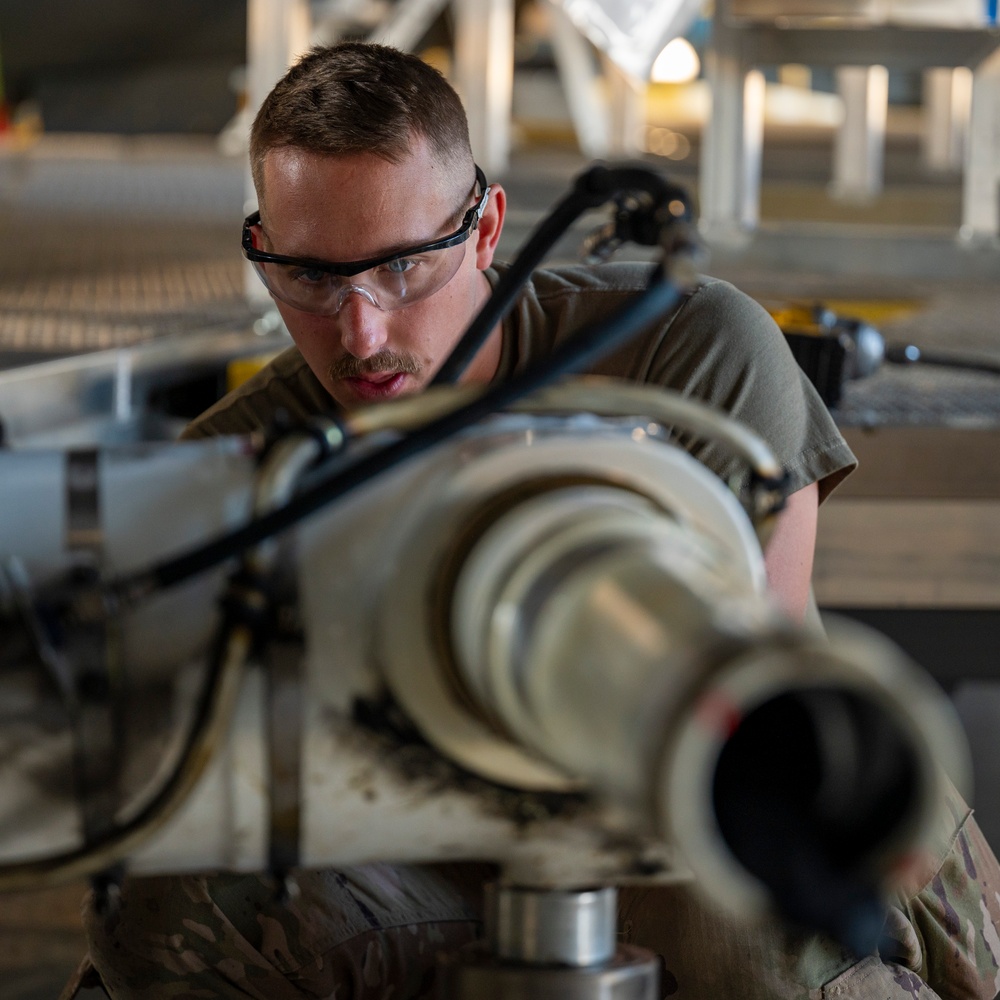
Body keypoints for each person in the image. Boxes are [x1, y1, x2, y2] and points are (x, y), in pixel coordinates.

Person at [84, 41, 1000, 999]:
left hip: (718, 800)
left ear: (486, 231)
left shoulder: (687, 353)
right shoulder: (243, 463)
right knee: (166, 897)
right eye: (309, 278)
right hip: (442, 843)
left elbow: (746, 673)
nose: (358, 332)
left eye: (402, 268)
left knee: (733, 879)